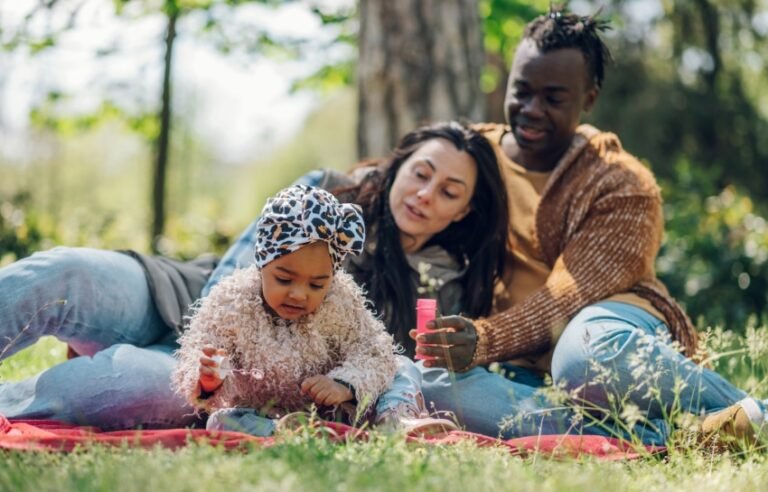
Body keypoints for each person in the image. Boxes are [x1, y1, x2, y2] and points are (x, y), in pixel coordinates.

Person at [0, 121, 509, 433]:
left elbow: (383, 364)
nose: (425, 194)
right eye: (422, 173)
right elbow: (236, 273)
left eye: (449, 191)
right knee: (65, 273)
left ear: (464, 211)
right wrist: (202, 345)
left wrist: (208, 380)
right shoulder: (327, 192)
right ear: (399, 166)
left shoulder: (444, 285)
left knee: (121, 387)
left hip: (225, 380)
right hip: (178, 296)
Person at [412, 8, 767, 448]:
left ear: (590, 98)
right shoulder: (471, 157)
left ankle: (756, 415)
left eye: (553, 99)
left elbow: (567, 297)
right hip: (518, 365)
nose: (530, 110)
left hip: (608, 325)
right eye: (521, 91)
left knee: (583, 355)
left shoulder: (622, 184)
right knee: (432, 385)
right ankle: (658, 437)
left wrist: (484, 339)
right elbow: (391, 181)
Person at [173, 185, 400, 436]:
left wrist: (343, 384)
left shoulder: (341, 299)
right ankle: (284, 432)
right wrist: (207, 380)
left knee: (402, 368)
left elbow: (375, 350)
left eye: (316, 284)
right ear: (262, 263)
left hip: (329, 409)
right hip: (260, 413)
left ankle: (395, 421)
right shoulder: (231, 302)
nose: (299, 294)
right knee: (221, 421)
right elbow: (199, 350)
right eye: (283, 279)